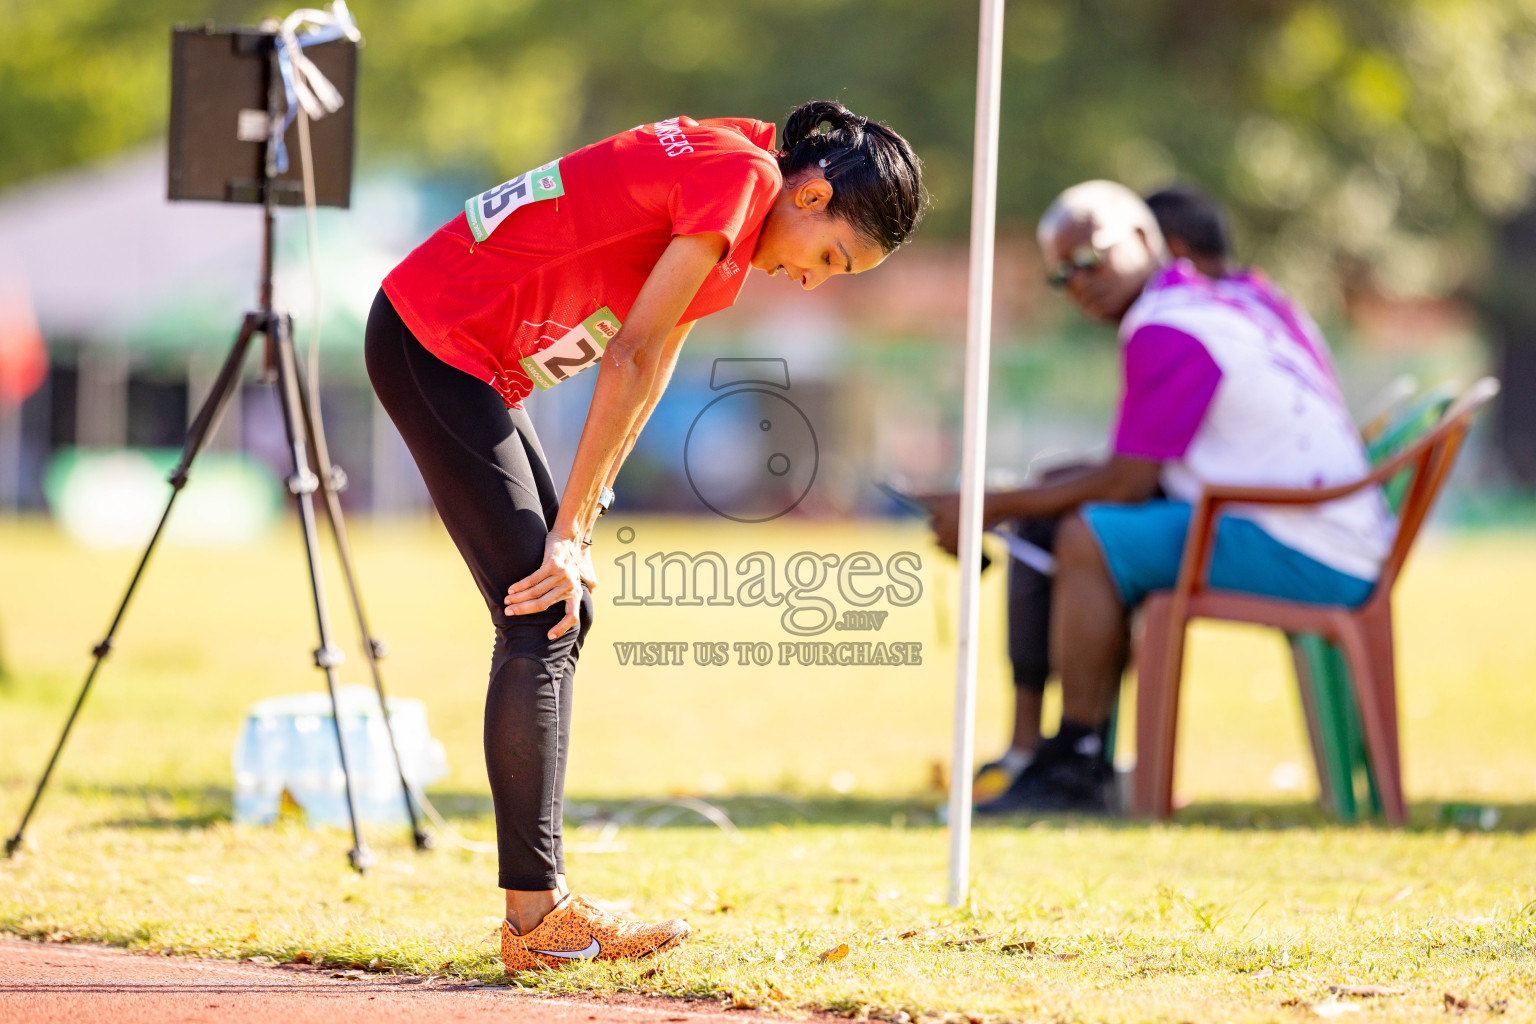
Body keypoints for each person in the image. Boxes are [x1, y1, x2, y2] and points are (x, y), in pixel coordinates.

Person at [366, 102, 924, 970]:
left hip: (463, 355)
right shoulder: (740, 178)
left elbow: (654, 360)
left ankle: (539, 913)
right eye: (832, 259)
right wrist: (570, 534)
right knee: (540, 614)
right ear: (811, 196)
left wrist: (583, 520)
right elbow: (624, 355)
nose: (816, 281)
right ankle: (536, 922)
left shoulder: (741, 192)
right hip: (433, 340)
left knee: (558, 613)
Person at [929, 180, 1391, 813]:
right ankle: (1043, 751)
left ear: (1147, 239)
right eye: (1062, 277)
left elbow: (1129, 482)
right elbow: (1139, 469)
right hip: (1315, 530)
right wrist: (1013, 498)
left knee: (1087, 535)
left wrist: (992, 505)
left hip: (1310, 550)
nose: (1079, 283)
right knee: (1058, 499)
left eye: (1089, 259)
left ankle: (1077, 761)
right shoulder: (1204, 303)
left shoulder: (1165, 326)